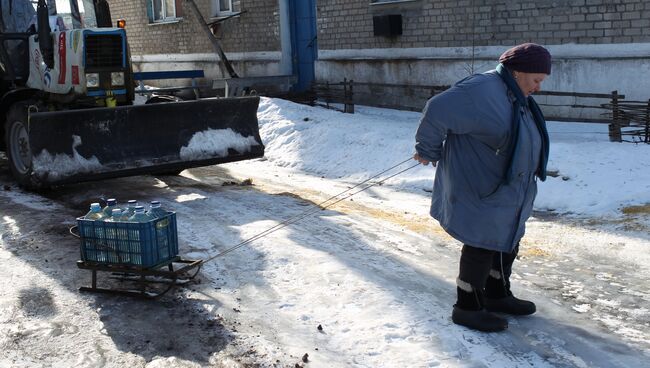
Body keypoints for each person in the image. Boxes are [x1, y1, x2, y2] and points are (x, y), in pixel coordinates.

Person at [414, 43, 551, 332]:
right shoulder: (481, 90)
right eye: (536, 80)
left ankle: (496, 294)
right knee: (481, 244)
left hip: (509, 187)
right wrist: (428, 148)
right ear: (517, 72)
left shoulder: (513, 93)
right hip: (480, 185)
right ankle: (467, 307)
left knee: (506, 240)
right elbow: (437, 109)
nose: (538, 87)